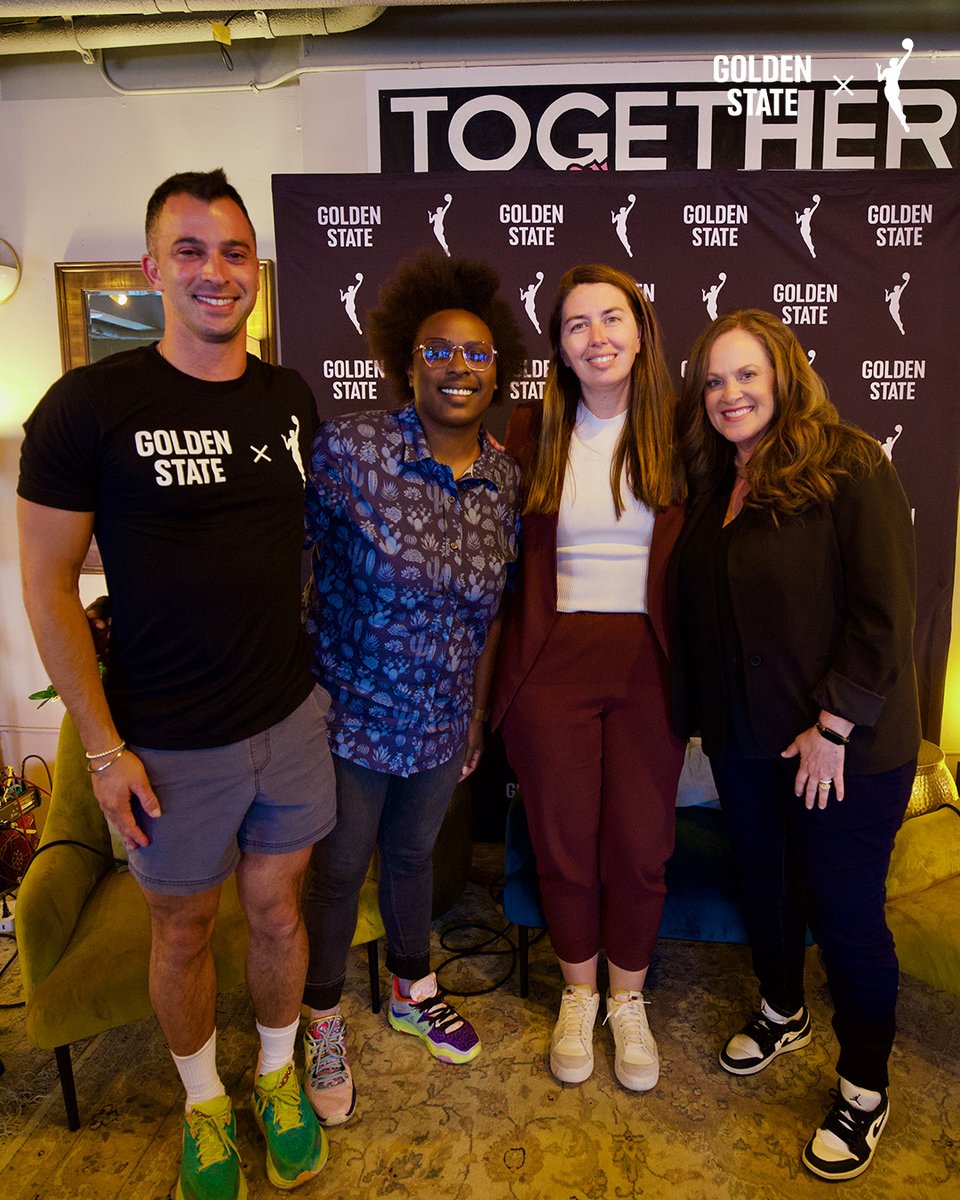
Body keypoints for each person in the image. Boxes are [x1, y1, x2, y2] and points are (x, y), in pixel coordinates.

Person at [17, 169, 333, 1200]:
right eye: (189, 250)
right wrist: (104, 754)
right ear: (153, 268)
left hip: (287, 722)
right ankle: (204, 1103)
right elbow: (49, 585)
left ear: (258, 273)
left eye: (233, 251)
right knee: (183, 929)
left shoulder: (289, 399)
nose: (214, 270)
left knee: (281, 913)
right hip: (166, 747)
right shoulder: (87, 408)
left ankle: (277, 1080)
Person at [670, 309, 920, 1181]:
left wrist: (835, 725)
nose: (730, 394)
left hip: (843, 748)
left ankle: (864, 1087)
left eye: (746, 375)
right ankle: (783, 1009)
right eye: (713, 380)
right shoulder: (713, 482)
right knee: (765, 886)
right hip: (747, 739)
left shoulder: (850, 464)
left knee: (846, 916)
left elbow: (887, 610)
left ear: (783, 373)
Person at [299, 251, 525, 1126]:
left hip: (438, 721)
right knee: (339, 868)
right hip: (349, 712)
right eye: (438, 351)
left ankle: (410, 987)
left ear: (496, 367)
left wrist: (472, 711)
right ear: (407, 362)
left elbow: (496, 609)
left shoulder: (504, 479)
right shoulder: (352, 450)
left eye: (475, 353)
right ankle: (320, 1015)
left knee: (412, 860)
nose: (458, 366)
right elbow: (291, 561)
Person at [490, 263, 686, 1092]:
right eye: (577, 324)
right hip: (549, 667)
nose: (597, 336)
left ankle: (627, 1003)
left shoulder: (683, 433)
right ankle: (579, 994)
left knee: (639, 848)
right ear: (560, 348)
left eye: (612, 318)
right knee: (564, 846)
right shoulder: (531, 429)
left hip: (651, 668)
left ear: (641, 330)